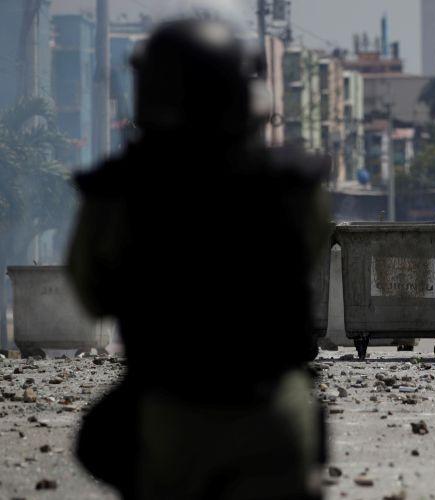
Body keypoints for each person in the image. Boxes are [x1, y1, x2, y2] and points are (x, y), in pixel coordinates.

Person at [68, 17, 329, 499]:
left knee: (103, 442)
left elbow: (92, 295)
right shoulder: (294, 183)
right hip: (274, 413)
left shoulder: (118, 191)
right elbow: (309, 256)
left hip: (169, 412)